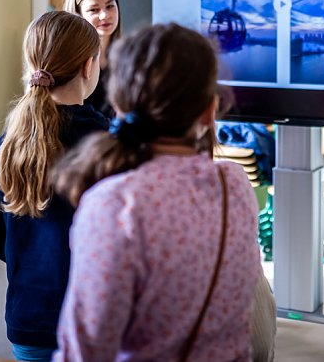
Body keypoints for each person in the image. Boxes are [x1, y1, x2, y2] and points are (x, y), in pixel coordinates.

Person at [51, 23, 264, 361]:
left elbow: (85, 351)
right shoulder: (234, 184)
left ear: (118, 106)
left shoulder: (113, 205)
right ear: (210, 111)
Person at [0, 11, 108, 362]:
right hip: (98, 321)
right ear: (88, 66)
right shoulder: (111, 147)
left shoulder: (4, 148)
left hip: (30, 320)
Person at [63, 0, 121, 118]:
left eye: (110, 6)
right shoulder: (67, 60)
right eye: (94, 10)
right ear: (77, 14)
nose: (105, 15)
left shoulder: (130, 55)